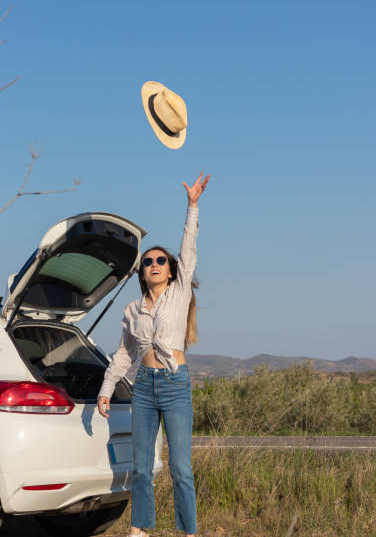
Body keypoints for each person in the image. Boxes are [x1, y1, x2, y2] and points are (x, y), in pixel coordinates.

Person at [97, 171, 210, 537]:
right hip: (144, 387)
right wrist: (106, 389)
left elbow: (189, 248)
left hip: (175, 384)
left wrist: (192, 207)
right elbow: (123, 355)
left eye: (161, 260)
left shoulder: (179, 295)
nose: (155, 265)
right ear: (142, 274)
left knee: (181, 468)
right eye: (148, 262)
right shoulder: (132, 310)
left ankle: (188, 531)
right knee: (143, 467)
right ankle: (140, 529)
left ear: (171, 269)